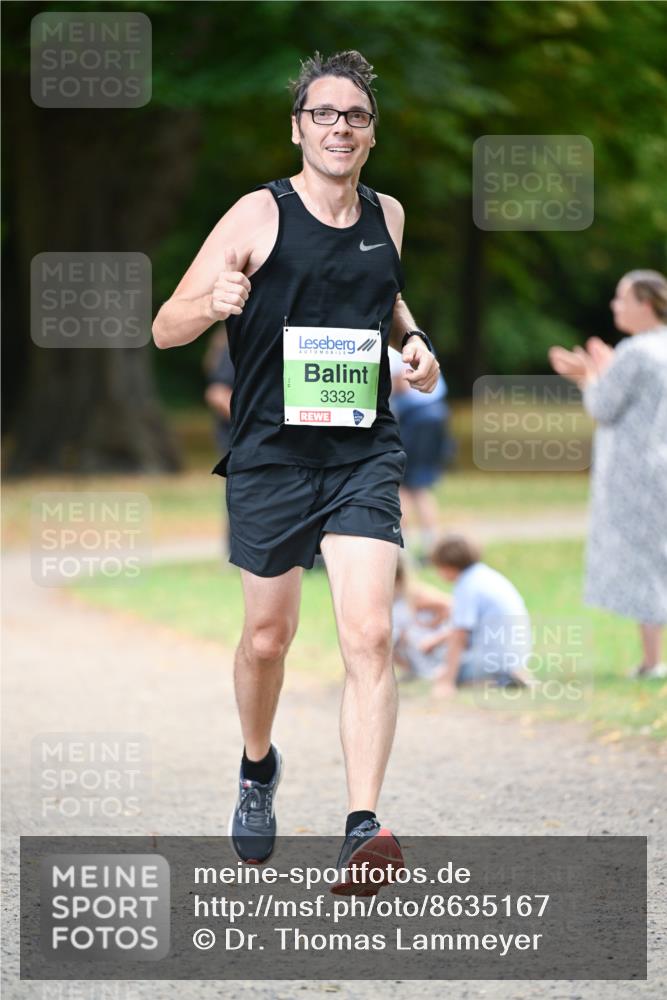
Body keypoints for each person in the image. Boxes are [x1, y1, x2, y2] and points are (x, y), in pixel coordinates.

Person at [152, 50, 440, 888]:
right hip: (271, 453)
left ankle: (361, 827)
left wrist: (411, 342)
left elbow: (385, 294)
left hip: (360, 449)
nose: (339, 127)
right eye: (324, 114)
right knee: (268, 638)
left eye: (353, 116)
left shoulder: (386, 213)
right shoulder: (256, 213)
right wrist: (213, 303)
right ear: (298, 127)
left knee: (370, 633)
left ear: (371, 133)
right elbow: (166, 327)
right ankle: (255, 766)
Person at [549, 270, 667, 679]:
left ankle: (652, 660)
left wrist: (586, 376)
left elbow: (603, 406)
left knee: (646, 563)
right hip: (661, 466)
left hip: (636, 474)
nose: (615, 306)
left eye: (621, 298)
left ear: (645, 303)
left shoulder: (637, 351)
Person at [422, 535, 534, 698]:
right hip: (516, 654)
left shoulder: (466, 586)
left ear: (448, 567)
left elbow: (460, 635)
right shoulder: (485, 576)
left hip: (491, 658)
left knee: (437, 668)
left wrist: (447, 680)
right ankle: (507, 673)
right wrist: (438, 639)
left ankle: (497, 679)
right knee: (444, 658)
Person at [389, 346, 452, 562]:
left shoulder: (393, 342)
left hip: (414, 418)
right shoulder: (414, 338)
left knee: (403, 485)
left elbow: (400, 384)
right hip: (436, 411)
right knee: (421, 485)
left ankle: (404, 550)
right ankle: (430, 546)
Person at [203, 330, 235, 558]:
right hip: (237, 437)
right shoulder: (233, 344)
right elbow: (217, 392)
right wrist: (251, 420)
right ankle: (236, 555)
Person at [392, 558, 451, 681]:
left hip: (428, 645)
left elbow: (451, 608)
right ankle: (409, 670)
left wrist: (432, 623)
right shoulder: (390, 599)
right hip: (410, 652)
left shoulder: (414, 595)